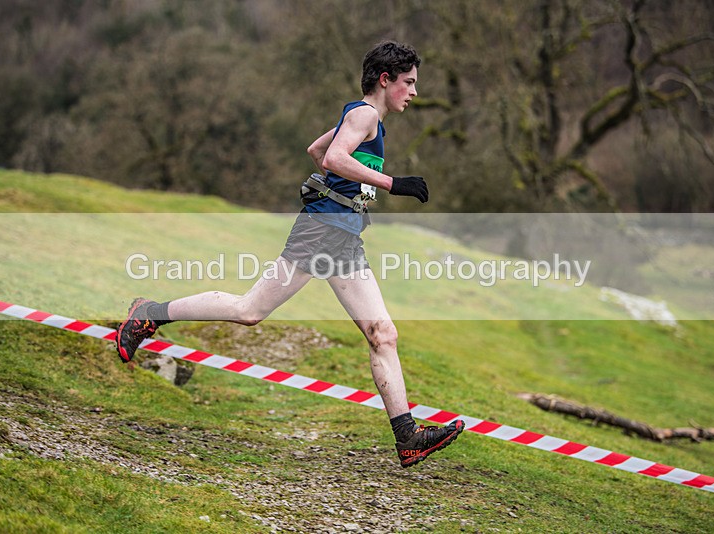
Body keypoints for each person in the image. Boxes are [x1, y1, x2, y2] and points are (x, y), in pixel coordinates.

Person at [116, 40, 464, 467]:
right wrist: (394, 183)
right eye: (408, 83)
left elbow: (317, 153)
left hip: (343, 239)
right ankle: (150, 312)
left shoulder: (364, 117)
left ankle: (407, 435)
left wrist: (349, 191)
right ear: (384, 79)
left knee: (383, 333)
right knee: (249, 310)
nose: (413, 92)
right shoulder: (365, 114)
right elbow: (334, 157)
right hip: (320, 232)